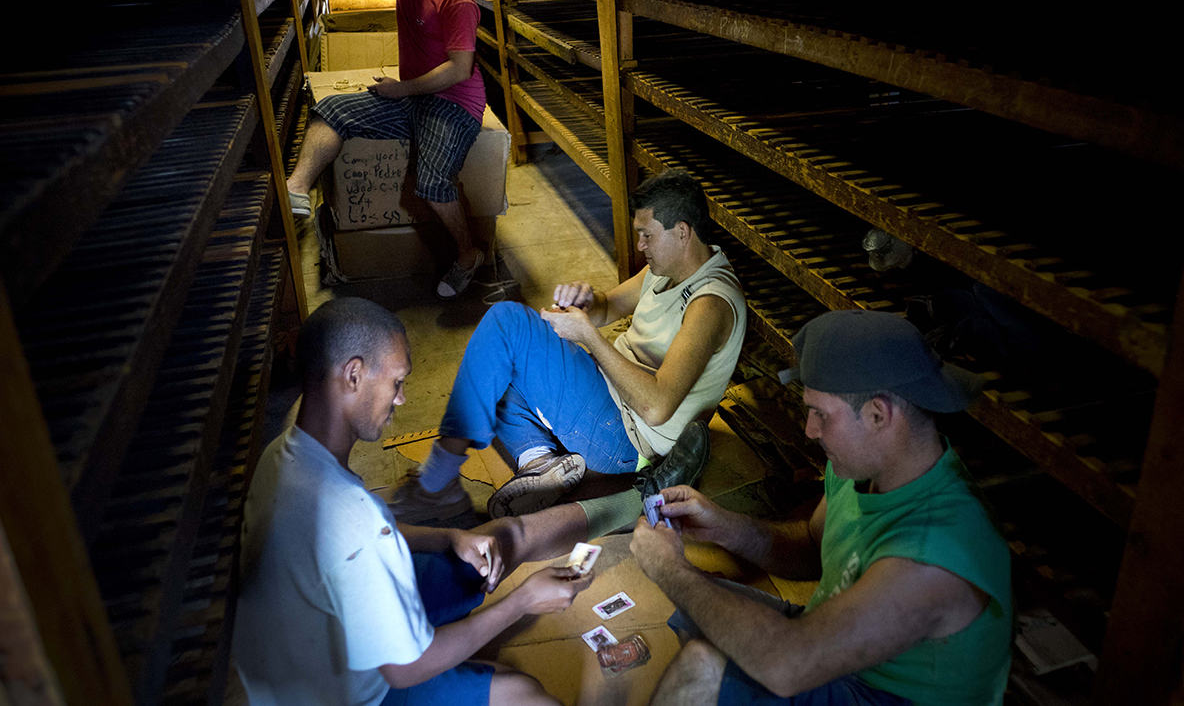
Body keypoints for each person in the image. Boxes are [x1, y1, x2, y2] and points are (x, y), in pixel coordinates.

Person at [629, 310, 1014, 706]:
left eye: (821, 414)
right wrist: (725, 527)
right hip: (842, 659)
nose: (810, 430)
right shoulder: (861, 468)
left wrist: (668, 567)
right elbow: (813, 549)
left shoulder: (934, 553)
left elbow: (787, 665)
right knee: (701, 608)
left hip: (883, 695)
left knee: (702, 667)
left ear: (879, 415)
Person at [232, 297, 596, 706]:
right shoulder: (354, 516)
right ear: (353, 375)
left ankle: (632, 502)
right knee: (530, 697)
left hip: (315, 654)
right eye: (397, 381)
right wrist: (523, 601)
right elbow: (404, 670)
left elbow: (347, 544)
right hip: (352, 695)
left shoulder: (281, 456)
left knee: (494, 540)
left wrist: (448, 537)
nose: (402, 398)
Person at [389, 169, 747, 529]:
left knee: (506, 321)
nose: (640, 245)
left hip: (629, 436)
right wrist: (587, 300)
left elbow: (655, 408)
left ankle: (436, 483)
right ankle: (540, 462)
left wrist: (588, 336)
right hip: (611, 398)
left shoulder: (709, 304)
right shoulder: (670, 266)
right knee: (493, 369)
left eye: (646, 235)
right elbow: (610, 306)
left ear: (682, 232)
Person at [285, 0, 488, 299]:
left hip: (452, 104)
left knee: (431, 184)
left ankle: (468, 256)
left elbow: (460, 69)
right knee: (331, 110)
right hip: (414, 96)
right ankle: (296, 188)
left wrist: (403, 89)